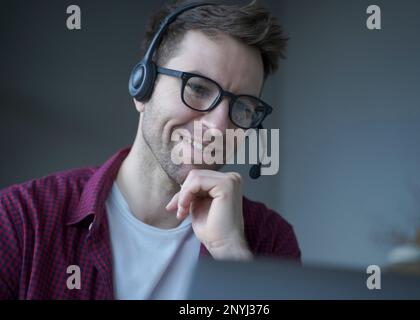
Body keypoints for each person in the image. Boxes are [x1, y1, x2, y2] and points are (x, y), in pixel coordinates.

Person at [0, 0, 300, 300]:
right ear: (142, 87)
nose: (218, 127)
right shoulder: (21, 221)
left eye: (242, 107)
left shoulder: (269, 241)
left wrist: (232, 254)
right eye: (197, 88)